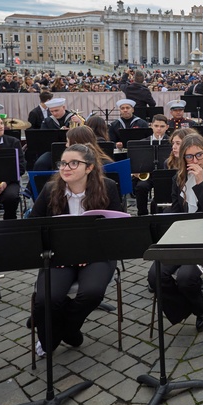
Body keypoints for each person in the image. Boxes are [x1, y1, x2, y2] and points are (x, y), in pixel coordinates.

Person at [30, 144, 122, 352]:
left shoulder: (107, 187)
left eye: (73, 163)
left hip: (97, 253)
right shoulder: (50, 189)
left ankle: (67, 329)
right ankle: (50, 337)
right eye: (63, 163)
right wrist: (61, 251)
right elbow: (33, 226)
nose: (66, 168)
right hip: (59, 254)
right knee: (47, 299)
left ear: (89, 168)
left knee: (92, 292)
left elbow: (116, 228)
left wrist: (88, 252)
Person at [147, 134, 203, 330]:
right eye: (189, 157)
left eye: (198, 155)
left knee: (185, 278)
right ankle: (190, 304)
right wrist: (155, 221)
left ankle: (201, 310)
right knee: (155, 274)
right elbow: (176, 209)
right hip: (185, 232)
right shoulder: (179, 177)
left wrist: (201, 182)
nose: (194, 160)